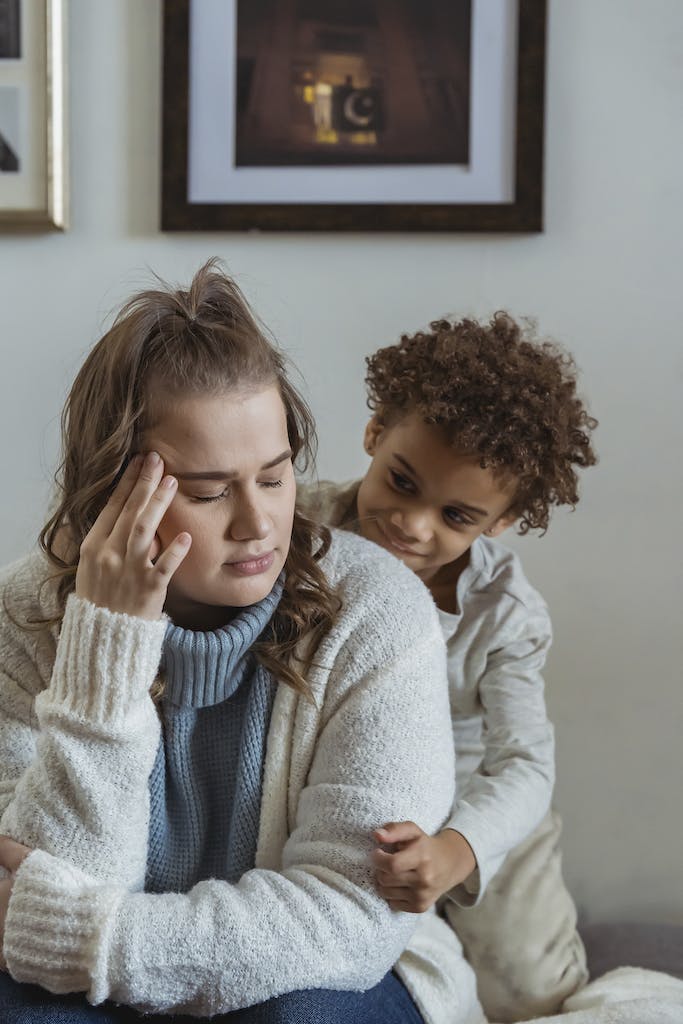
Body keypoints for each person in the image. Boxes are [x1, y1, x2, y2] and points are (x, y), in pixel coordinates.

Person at [0, 263, 484, 1024]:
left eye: (275, 474)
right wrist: (108, 643)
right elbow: (34, 884)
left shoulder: (377, 611)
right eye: (207, 491)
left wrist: (89, 939)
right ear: (111, 493)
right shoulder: (24, 614)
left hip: (323, 977)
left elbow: (344, 917)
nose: (258, 523)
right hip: (88, 989)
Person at [300, 313, 598, 1022]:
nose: (413, 524)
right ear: (374, 435)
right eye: (400, 482)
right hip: (348, 797)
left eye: (455, 516)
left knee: (525, 992)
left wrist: (457, 850)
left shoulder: (507, 615)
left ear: (499, 521)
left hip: (475, 809)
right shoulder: (298, 532)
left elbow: (523, 764)